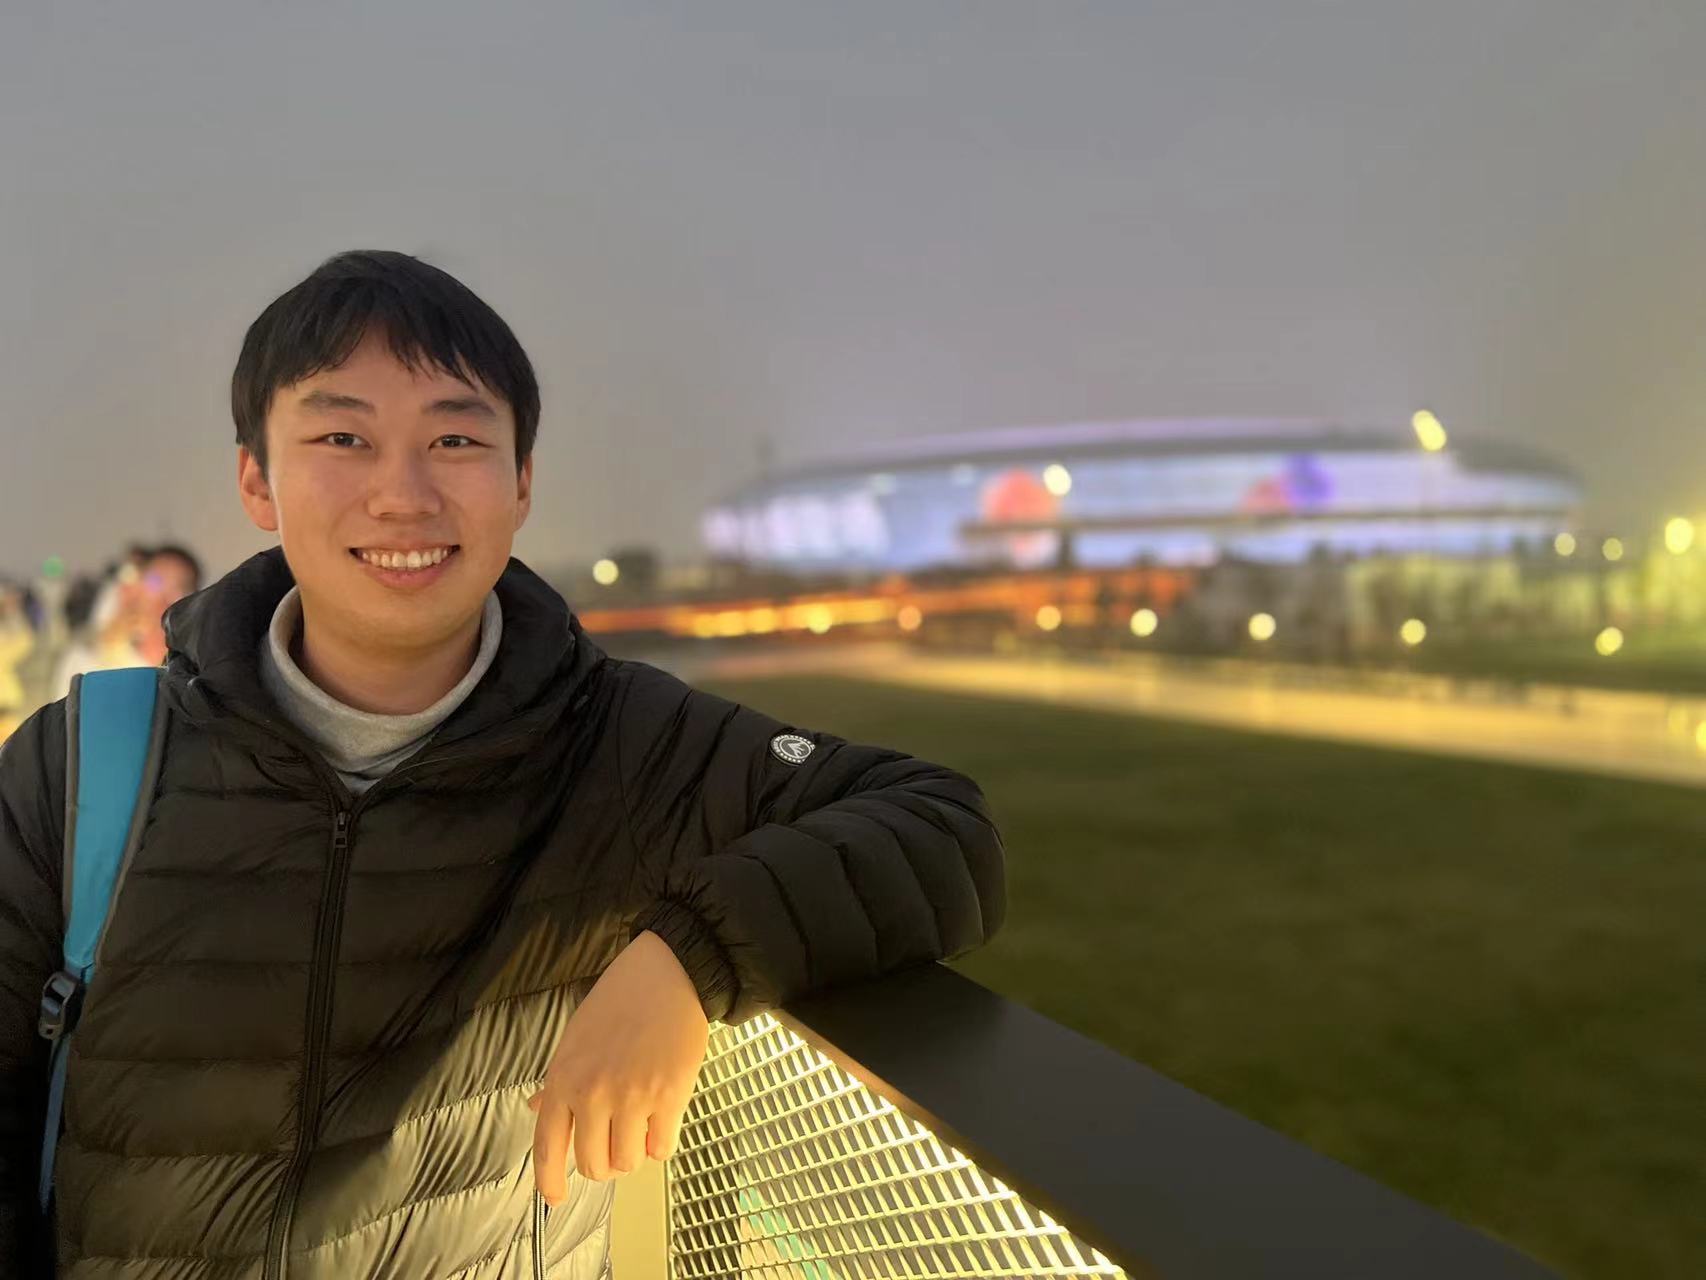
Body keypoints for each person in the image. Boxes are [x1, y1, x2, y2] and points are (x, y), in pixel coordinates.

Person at [0, 250, 1005, 1277]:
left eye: (456, 439)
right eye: (343, 437)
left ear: (521, 481)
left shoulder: (623, 741)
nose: (403, 495)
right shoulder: (86, 765)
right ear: (257, 478)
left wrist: (689, 958)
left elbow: (940, 825)